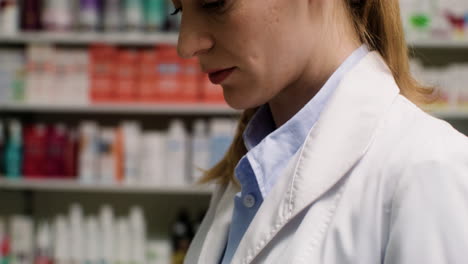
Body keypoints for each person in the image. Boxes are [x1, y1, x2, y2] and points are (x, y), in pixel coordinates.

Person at [171, 0, 468, 263]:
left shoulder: (430, 169)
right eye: (180, 9)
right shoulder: (248, 171)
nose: (186, 45)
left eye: (215, 4)